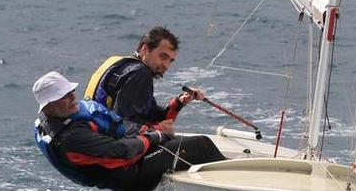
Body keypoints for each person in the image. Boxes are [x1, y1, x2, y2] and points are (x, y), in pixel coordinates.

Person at [33, 71, 226, 191]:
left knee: (173, 141)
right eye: (64, 96)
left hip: (123, 163)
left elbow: (118, 124)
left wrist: (151, 130)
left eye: (71, 91)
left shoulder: (63, 114)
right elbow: (121, 152)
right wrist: (155, 135)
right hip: (127, 175)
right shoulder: (70, 137)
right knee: (201, 145)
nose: (72, 97)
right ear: (48, 105)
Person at [84, 26, 204, 132]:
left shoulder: (117, 63)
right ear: (145, 49)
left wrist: (180, 102)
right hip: (109, 148)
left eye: (170, 60)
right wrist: (156, 130)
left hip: (93, 137)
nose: (166, 65)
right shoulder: (140, 73)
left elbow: (150, 116)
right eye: (163, 57)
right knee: (201, 144)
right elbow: (122, 125)